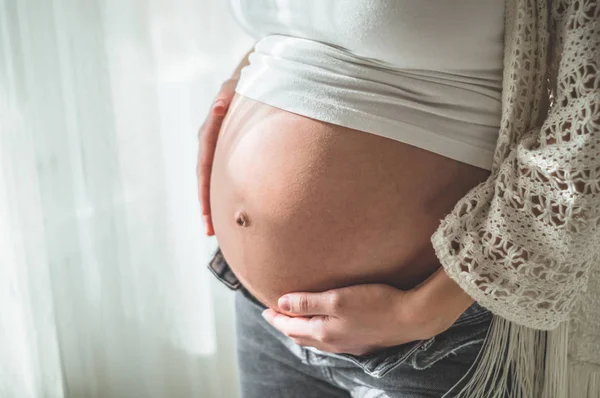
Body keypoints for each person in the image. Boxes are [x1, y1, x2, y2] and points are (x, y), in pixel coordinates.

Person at [197, 1, 600, 397]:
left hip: (437, 340)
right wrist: (238, 86)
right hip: (267, 320)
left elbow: (585, 137)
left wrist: (420, 313)